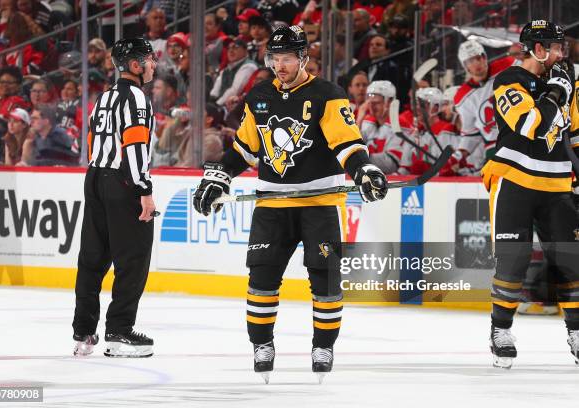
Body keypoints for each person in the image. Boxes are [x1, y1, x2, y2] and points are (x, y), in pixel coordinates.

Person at [192, 25, 387, 383]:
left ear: (303, 59)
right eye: (274, 58)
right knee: (261, 278)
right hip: (271, 207)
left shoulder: (328, 94)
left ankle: (323, 345)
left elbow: (347, 143)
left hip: (319, 204)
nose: (279, 66)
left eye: (287, 59)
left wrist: (363, 169)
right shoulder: (260, 96)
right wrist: (219, 175)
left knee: (325, 280)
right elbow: (245, 150)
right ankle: (261, 345)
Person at [482, 20, 579, 369]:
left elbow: (576, 133)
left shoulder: (567, 83)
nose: (561, 53)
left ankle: (577, 331)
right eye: (555, 47)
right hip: (515, 179)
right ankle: (501, 330)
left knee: (572, 262)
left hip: (556, 185)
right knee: (514, 260)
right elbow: (528, 125)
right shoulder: (509, 80)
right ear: (537, 50)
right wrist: (556, 92)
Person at [72, 38, 157, 358]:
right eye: (148, 59)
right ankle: (119, 331)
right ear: (135, 66)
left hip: (95, 177)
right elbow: (135, 145)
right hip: (122, 181)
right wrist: (143, 190)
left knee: (92, 259)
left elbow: (94, 141)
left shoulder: (104, 97)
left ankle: (83, 331)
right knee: (132, 259)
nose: (153, 65)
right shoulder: (136, 97)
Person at [453, 40, 517, 172]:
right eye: (470, 61)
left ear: (484, 57)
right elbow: (471, 133)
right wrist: (459, 155)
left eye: (478, 57)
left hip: (521, 141)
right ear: (465, 66)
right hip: (495, 150)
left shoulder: (508, 66)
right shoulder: (463, 97)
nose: (476, 63)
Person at [358, 80, 403, 174]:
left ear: (390, 101)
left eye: (377, 103)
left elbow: (390, 163)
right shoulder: (367, 122)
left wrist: (356, 159)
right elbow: (352, 145)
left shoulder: (399, 125)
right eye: (370, 103)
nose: (372, 107)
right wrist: (359, 120)